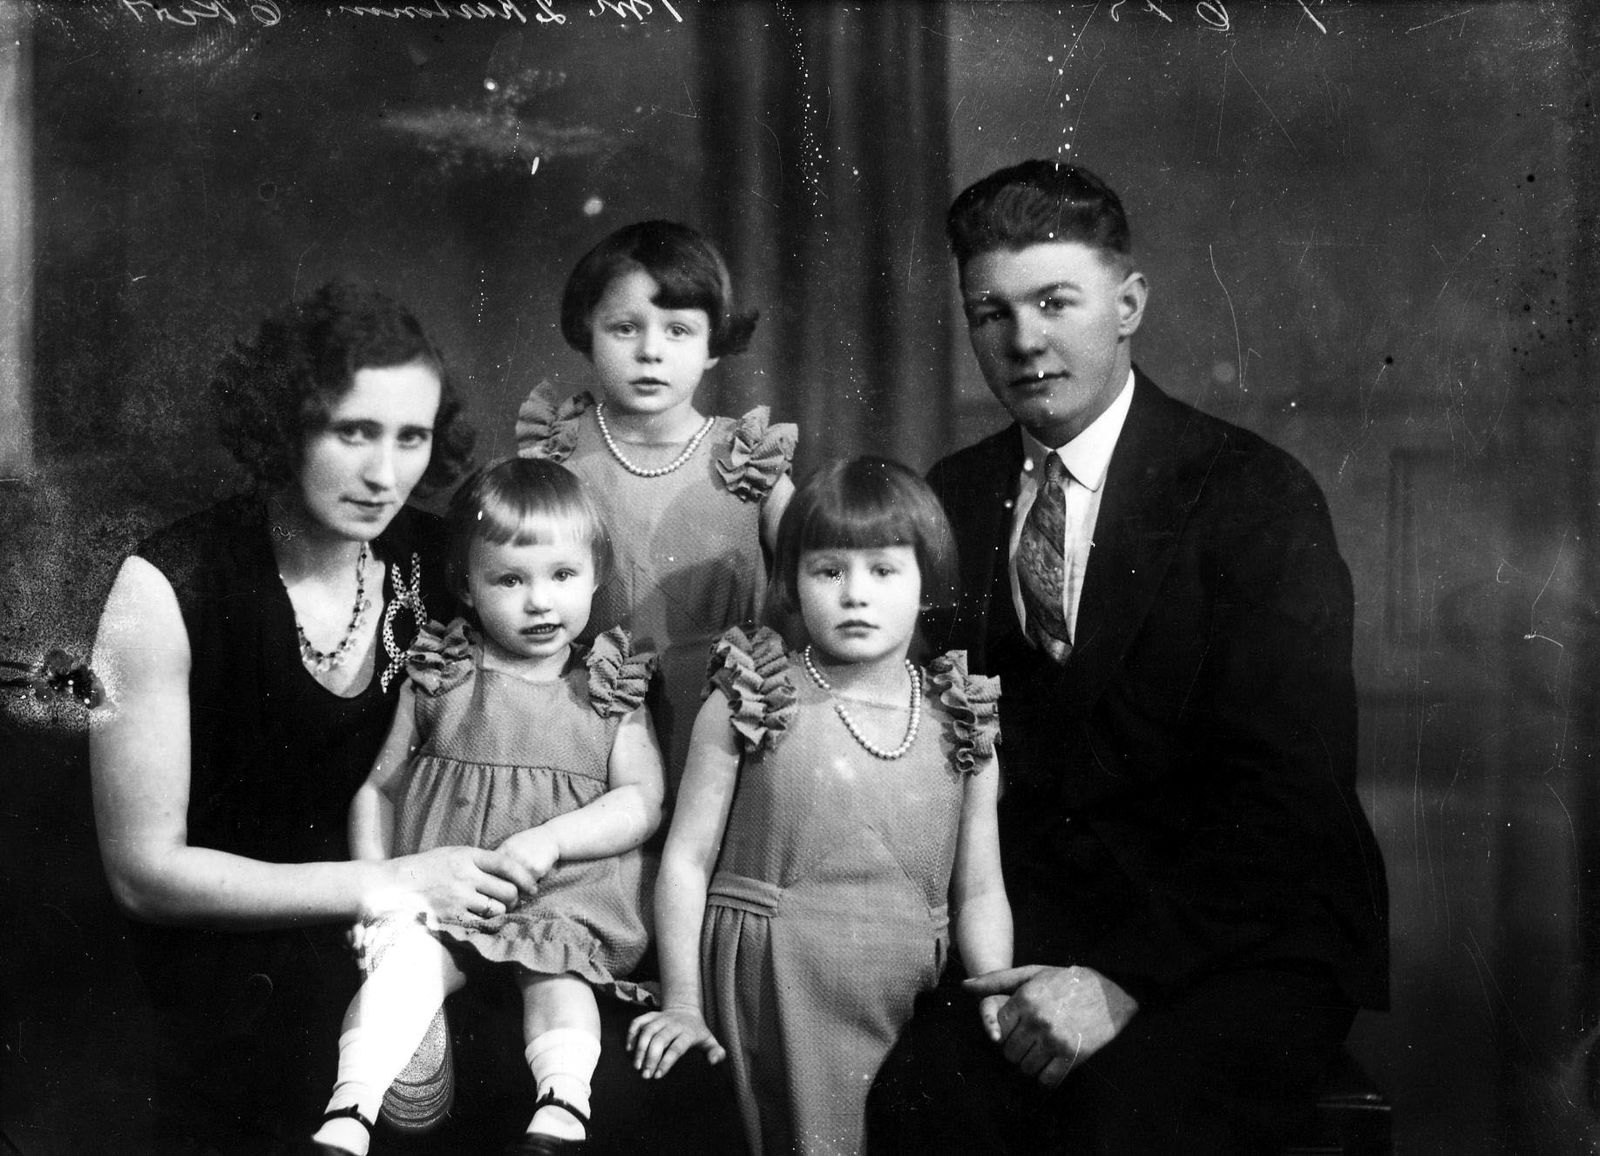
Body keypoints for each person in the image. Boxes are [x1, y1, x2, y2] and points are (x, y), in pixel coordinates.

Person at [867, 160, 1390, 1152]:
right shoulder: (953, 495)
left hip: (1238, 940)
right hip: (1035, 927)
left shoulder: (1253, 494)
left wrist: (1118, 980)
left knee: (1120, 1121)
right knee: (917, 1099)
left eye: (1054, 302)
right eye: (990, 313)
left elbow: (1290, 801)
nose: (1023, 341)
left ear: (1128, 304)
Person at [88, 280, 539, 1151]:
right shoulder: (171, 583)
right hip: (240, 976)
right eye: (353, 432)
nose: (385, 474)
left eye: (410, 437)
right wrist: (395, 883)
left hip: (418, 936)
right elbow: (143, 873)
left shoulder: (439, 559)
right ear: (284, 426)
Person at [629, 457, 1013, 1156]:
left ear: (927, 582)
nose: (855, 594)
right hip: (767, 987)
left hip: (902, 995)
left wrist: (991, 992)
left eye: (884, 570)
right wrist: (683, 1001)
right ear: (791, 582)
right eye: (828, 571)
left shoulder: (962, 717)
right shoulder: (752, 696)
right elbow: (686, 860)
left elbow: (981, 889)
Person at [310, 458, 664, 1156]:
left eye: (562, 575)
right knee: (403, 974)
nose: (539, 602)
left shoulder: (609, 684)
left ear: (596, 575)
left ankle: (563, 1107)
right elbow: (379, 789)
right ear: (467, 587)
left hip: (557, 895)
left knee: (557, 978)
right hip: (445, 895)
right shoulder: (441, 671)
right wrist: (383, 892)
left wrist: (554, 839)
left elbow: (642, 799)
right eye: (510, 580)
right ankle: (351, 1107)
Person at [515, 219, 798, 793]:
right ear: (587, 331)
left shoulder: (748, 460)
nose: (650, 351)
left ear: (713, 343)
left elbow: (820, 569)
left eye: (678, 330)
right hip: (588, 722)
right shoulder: (558, 455)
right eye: (624, 328)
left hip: (724, 726)